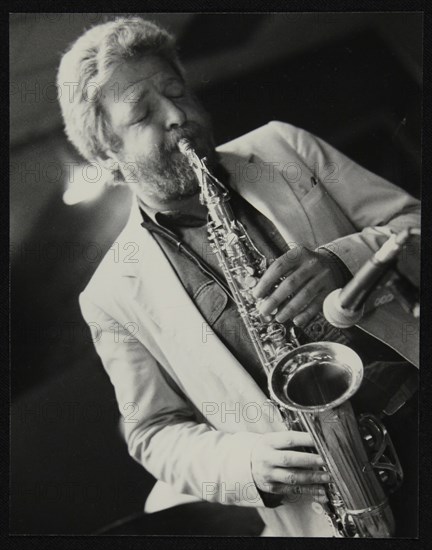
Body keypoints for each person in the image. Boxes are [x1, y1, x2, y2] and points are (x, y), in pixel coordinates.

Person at [57, 16, 420, 537]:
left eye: (177, 91)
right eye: (143, 113)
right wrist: (245, 465)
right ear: (108, 157)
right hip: (332, 504)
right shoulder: (110, 295)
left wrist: (342, 259)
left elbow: (414, 224)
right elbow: (152, 432)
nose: (179, 115)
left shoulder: (284, 147)